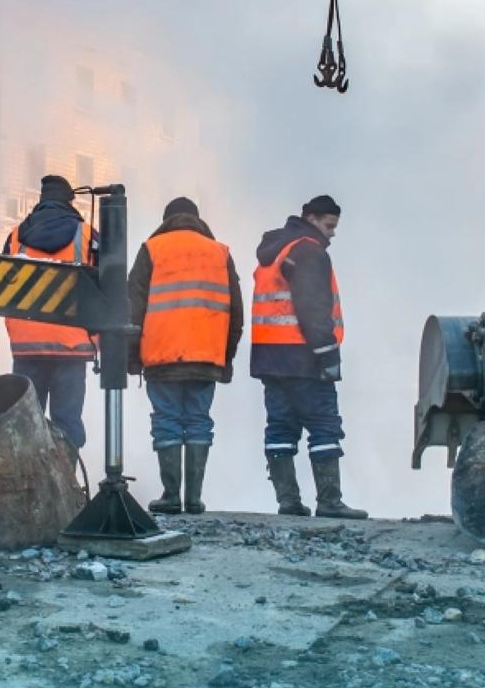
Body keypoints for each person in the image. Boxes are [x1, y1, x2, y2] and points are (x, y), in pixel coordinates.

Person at [250, 195, 366, 519]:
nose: (332, 233)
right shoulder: (308, 251)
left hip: (270, 359)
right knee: (324, 426)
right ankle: (329, 502)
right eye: (329, 225)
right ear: (312, 219)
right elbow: (313, 308)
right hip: (304, 358)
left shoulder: (276, 251)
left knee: (280, 429)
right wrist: (328, 355)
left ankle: (288, 502)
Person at [128, 197, 243, 514]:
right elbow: (236, 312)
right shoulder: (220, 253)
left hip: (162, 356)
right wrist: (227, 358)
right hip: (206, 357)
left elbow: (132, 308)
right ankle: (193, 498)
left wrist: (131, 357)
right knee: (198, 420)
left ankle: (170, 496)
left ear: (166, 220)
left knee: (166, 420)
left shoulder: (152, 249)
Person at [2, 175, 96, 451]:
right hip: (71, 345)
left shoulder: (16, 236)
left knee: (28, 423)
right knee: (67, 422)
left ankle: (29, 476)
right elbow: (103, 291)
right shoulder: (86, 234)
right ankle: (64, 475)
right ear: (69, 201)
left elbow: (0, 289)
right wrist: (96, 340)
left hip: (26, 346)